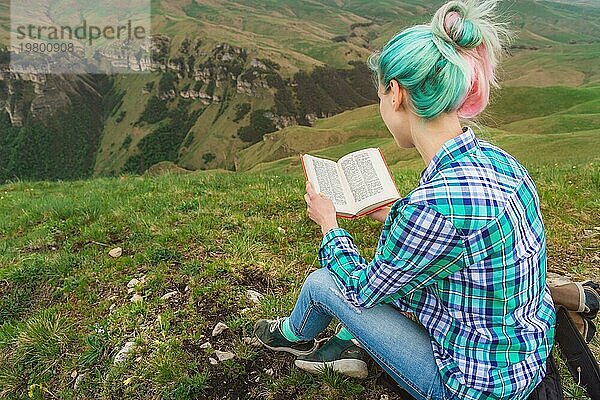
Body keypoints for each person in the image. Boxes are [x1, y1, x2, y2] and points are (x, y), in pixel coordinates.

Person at [253, 1, 560, 399]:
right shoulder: (500, 162)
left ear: (395, 94)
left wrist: (329, 225)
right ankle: (334, 344)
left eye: (380, 94)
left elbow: (361, 290)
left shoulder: (434, 205)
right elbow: (461, 241)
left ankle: (292, 338)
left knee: (323, 282)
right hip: (523, 362)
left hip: (471, 386)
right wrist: (395, 214)